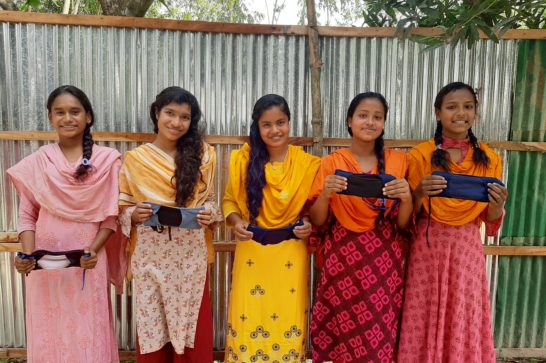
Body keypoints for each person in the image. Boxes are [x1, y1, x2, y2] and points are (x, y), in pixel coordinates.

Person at [8, 85, 121, 363]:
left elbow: (110, 215)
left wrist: (93, 249)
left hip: (87, 260)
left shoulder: (106, 160)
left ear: (88, 117)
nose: (67, 118)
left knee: (88, 332)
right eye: (59, 112)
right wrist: (29, 256)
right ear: (50, 117)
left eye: (74, 111)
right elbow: (27, 215)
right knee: (50, 331)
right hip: (45, 264)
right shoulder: (39, 162)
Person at [397, 82, 508, 363]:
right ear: (437, 114)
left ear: (475, 113)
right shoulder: (421, 155)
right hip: (428, 250)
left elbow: (490, 221)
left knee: (463, 316)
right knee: (423, 315)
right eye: (452, 107)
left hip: (467, 252)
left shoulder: (490, 159)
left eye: (468, 107)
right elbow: (407, 217)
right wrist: (420, 190)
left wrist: (498, 205)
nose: (461, 113)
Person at [118, 86, 221, 362]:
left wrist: (209, 214)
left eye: (184, 117)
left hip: (190, 258)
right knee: (153, 327)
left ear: (192, 121)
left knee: (191, 329)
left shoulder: (205, 156)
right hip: (151, 255)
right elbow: (122, 208)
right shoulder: (136, 159)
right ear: (156, 113)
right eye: (170, 113)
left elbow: (211, 201)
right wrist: (133, 215)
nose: (176, 123)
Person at [308, 92, 413, 363]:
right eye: (363, 115)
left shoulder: (398, 162)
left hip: (383, 264)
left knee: (378, 332)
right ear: (349, 121)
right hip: (342, 262)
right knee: (342, 332)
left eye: (377, 117)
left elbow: (403, 224)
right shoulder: (331, 163)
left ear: (384, 123)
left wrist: (407, 197)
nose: (370, 122)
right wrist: (326, 194)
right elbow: (317, 220)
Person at [223, 94, 320, 362]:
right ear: (257, 126)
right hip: (252, 252)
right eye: (267, 124)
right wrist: (235, 222)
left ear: (290, 122)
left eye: (281, 122)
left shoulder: (308, 165)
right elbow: (229, 201)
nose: (275, 130)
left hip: (291, 252)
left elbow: (314, 210)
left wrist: (308, 224)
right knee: (248, 318)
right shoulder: (242, 160)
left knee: (287, 319)